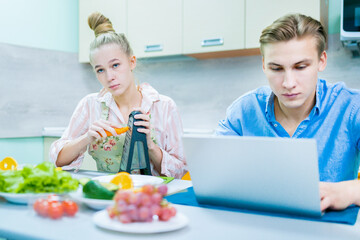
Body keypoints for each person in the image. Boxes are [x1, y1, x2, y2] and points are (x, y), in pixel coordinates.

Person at [216, 13, 360, 211]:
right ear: (264, 66)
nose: (288, 83)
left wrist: (350, 191)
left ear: (322, 61)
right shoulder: (243, 111)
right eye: (276, 68)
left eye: (300, 67)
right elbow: (214, 174)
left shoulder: (352, 108)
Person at [50, 12, 186, 179]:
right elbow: (58, 160)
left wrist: (150, 146)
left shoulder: (164, 106)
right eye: (100, 70)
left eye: (115, 65)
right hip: (109, 194)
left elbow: (181, 171)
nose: (109, 77)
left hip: (152, 198)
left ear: (132, 62)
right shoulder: (90, 105)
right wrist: (86, 138)